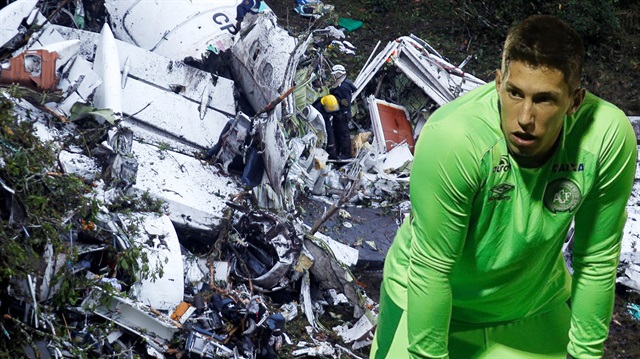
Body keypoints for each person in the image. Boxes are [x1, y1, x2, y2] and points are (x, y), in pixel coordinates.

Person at [370, 15, 636, 359]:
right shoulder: (454, 138)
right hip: (427, 297)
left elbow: (597, 257)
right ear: (498, 84)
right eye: (514, 93)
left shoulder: (606, 138)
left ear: (574, 101)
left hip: (531, 302)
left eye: (544, 100)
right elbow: (432, 267)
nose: (525, 117)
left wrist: (584, 354)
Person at [329, 64, 357, 159]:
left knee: (343, 135)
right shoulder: (343, 84)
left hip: (342, 115)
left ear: (338, 74)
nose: (333, 77)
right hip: (340, 114)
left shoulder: (343, 87)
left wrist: (338, 101)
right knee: (338, 134)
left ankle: (346, 154)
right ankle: (338, 152)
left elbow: (345, 103)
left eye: (334, 75)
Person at [311, 94, 340, 159]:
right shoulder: (317, 108)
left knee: (330, 133)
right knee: (325, 136)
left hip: (325, 119)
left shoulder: (329, 102)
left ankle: (332, 152)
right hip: (317, 123)